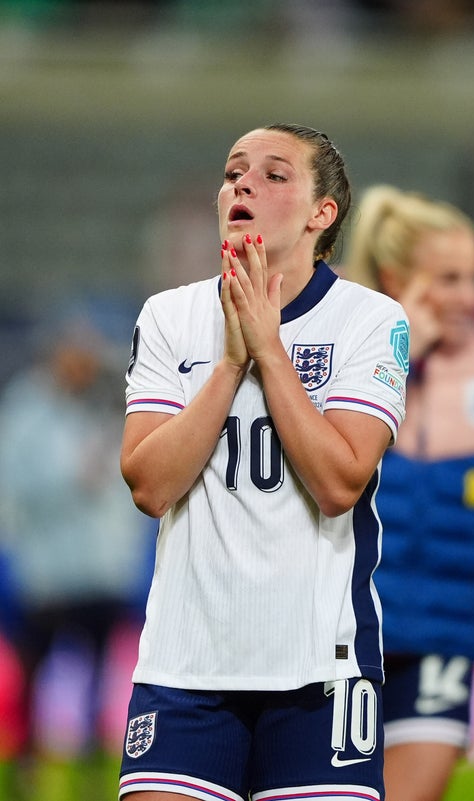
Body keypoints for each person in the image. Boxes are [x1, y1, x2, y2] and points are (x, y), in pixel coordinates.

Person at [117, 123, 408, 801]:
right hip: (185, 667)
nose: (242, 183)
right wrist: (229, 362)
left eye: (274, 174)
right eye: (233, 172)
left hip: (321, 669)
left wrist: (270, 352)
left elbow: (340, 481)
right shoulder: (169, 317)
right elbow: (149, 484)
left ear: (321, 213)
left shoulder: (370, 321)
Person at [339, 185, 474, 801]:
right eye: (448, 279)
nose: (468, 298)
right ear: (397, 276)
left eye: (472, 278)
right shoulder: (340, 345)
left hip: (445, 630)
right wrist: (407, 350)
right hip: (342, 633)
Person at [0, 306, 152, 801]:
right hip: (45, 575)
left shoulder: (107, 408)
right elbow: (14, 488)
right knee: (32, 668)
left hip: (99, 573)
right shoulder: (25, 410)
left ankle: (92, 758)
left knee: (100, 669)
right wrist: (72, 480)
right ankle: (25, 760)